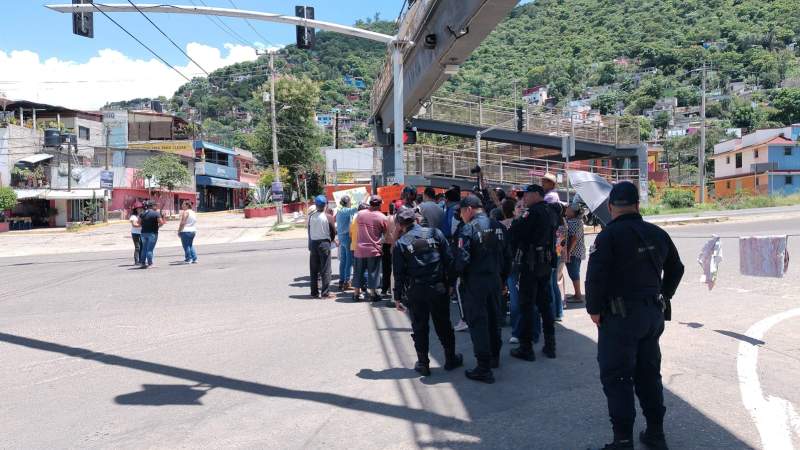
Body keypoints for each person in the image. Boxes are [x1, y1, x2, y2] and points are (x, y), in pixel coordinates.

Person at [586, 181, 684, 450]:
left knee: (618, 377)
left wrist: (594, 310)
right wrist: (664, 295)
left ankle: (623, 440)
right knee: (649, 373)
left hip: (620, 319)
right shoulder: (657, 233)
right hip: (652, 314)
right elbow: (677, 268)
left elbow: (595, 279)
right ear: (638, 205)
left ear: (610, 207)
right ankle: (655, 432)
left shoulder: (608, 236)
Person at [393, 208, 463, 376]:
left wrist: (397, 297)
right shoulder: (435, 233)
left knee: (419, 326)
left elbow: (399, 273)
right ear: (416, 220)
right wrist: (451, 283)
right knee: (443, 324)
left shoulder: (401, 243)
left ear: (400, 225)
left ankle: (423, 363)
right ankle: (450, 358)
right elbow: (449, 260)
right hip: (438, 287)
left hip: (416, 290)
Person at [452, 195, 511, 383]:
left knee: (478, 323)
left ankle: (483, 368)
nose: (461, 216)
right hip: (495, 280)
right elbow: (507, 257)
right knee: (494, 319)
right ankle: (494, 357)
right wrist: (502, 280)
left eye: (461, 212)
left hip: (476, 283)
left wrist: (453, 279)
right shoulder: (498, 226)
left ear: (468, 209)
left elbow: (462, 259)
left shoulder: (468, 228)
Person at [509, 184, 558, 361]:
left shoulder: (532, 213)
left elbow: (515, 233)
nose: (524, 198)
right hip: (545, 264)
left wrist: (517, 217)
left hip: (531, 266)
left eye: (527, 195)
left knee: (527, 305)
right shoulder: (551, 211)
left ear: (537, 195)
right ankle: (550, 345)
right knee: (545, 305)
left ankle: (526, 347)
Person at [353, 195, 387, 302]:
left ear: (370, 203)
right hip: (373, 249)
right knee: (373, 272)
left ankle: (356, 294)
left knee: (358, 272)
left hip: (359, 249)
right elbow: (385, 233)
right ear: (379, 204)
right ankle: (373, 294)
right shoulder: (382, 217)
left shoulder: (360, 214)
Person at [307, 195, 336, 299]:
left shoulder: (311, 216)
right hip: (324, 244)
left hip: (314, 244)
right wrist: (331, 240)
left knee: (314, 270)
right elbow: (333, 232)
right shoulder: (328, 217)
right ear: (325, 205)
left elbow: (309, 231)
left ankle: (314, 292)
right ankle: (325, 292)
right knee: (325, 269)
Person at [335, 195, 358, 291]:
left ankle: (341, 280)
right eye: (350, 202)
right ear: (347, 203)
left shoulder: (339, 211)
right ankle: (346, 282)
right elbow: (356, 209)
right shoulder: (345, 211)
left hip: (341, 237)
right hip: (346, 238)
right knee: (348, 261)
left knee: (343, 261)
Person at [565, 206, 586, 302]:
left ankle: (578, 296)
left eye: (569, 209)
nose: (566, 209)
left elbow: (573, 239)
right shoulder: (577, 221)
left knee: (573, 273)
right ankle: (577, 294)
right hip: (577, 251)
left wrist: (568, 252)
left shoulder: (573, 222)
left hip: (573, 252)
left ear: (573, 213)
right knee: (574, 272)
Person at [136, 200, 165, 269]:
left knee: (144, 249)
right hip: (152, 233)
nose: (156, 206)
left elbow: (138, 223)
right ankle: (150, 263)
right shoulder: (156, 213)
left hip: (143, 233)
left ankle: (143, 263)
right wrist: (157, 226)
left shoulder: (142, 214)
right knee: (150, 249)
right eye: (155, 205)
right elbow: (161, 222)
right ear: (152, 206)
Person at [381, 202, 399, 298]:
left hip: (386, 245)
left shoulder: (385, 218)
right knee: (395, 268)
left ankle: (384, 289)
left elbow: (382, 231)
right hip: (395, 245)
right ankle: (393, 289)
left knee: (386, 269)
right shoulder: (398, 219)